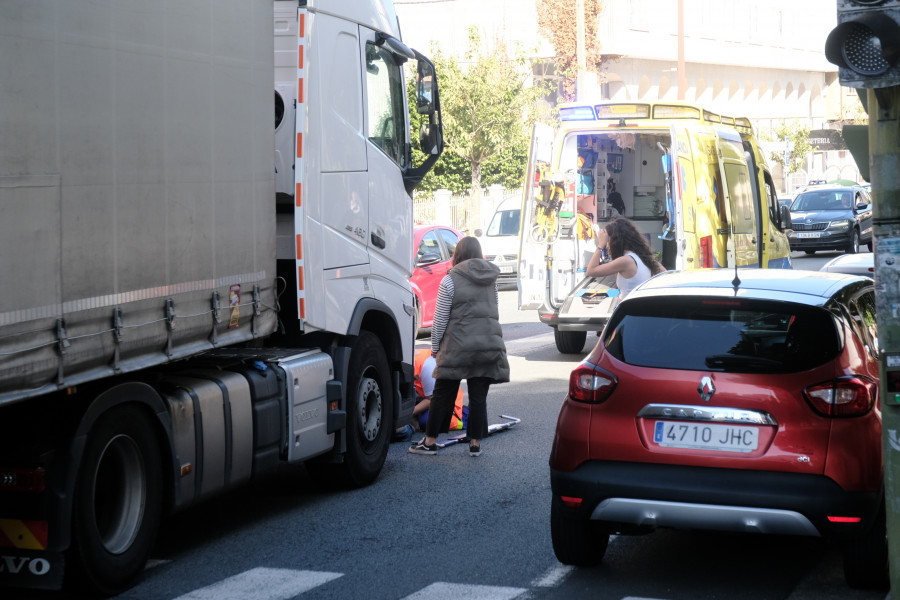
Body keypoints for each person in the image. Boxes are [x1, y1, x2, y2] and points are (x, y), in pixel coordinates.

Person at [409, 236, 510, 457]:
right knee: (478, 395)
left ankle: (430, 441)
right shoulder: (491, 280)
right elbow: (494, 313)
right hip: (487, 345)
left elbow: (440, 320)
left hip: (457, 348)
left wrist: (435, 348)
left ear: (458, 255)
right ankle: (475, 444)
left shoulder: (450, 280)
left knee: (443, 393)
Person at [393, 348, 465, 442]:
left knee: (427, 421)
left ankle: (465, 418)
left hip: (447, 403)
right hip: (424, 397)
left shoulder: (427, 365)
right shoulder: (407, 360)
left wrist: (407, 414)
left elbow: (432, 399)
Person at [586, 217, 665, 299]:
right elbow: (666, 274)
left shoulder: (625, 261)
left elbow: (591, 271)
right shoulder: (643, 256)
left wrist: (601, 244)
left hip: (628, 308)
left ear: (614, 242)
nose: (607, 246)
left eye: (608, 241)